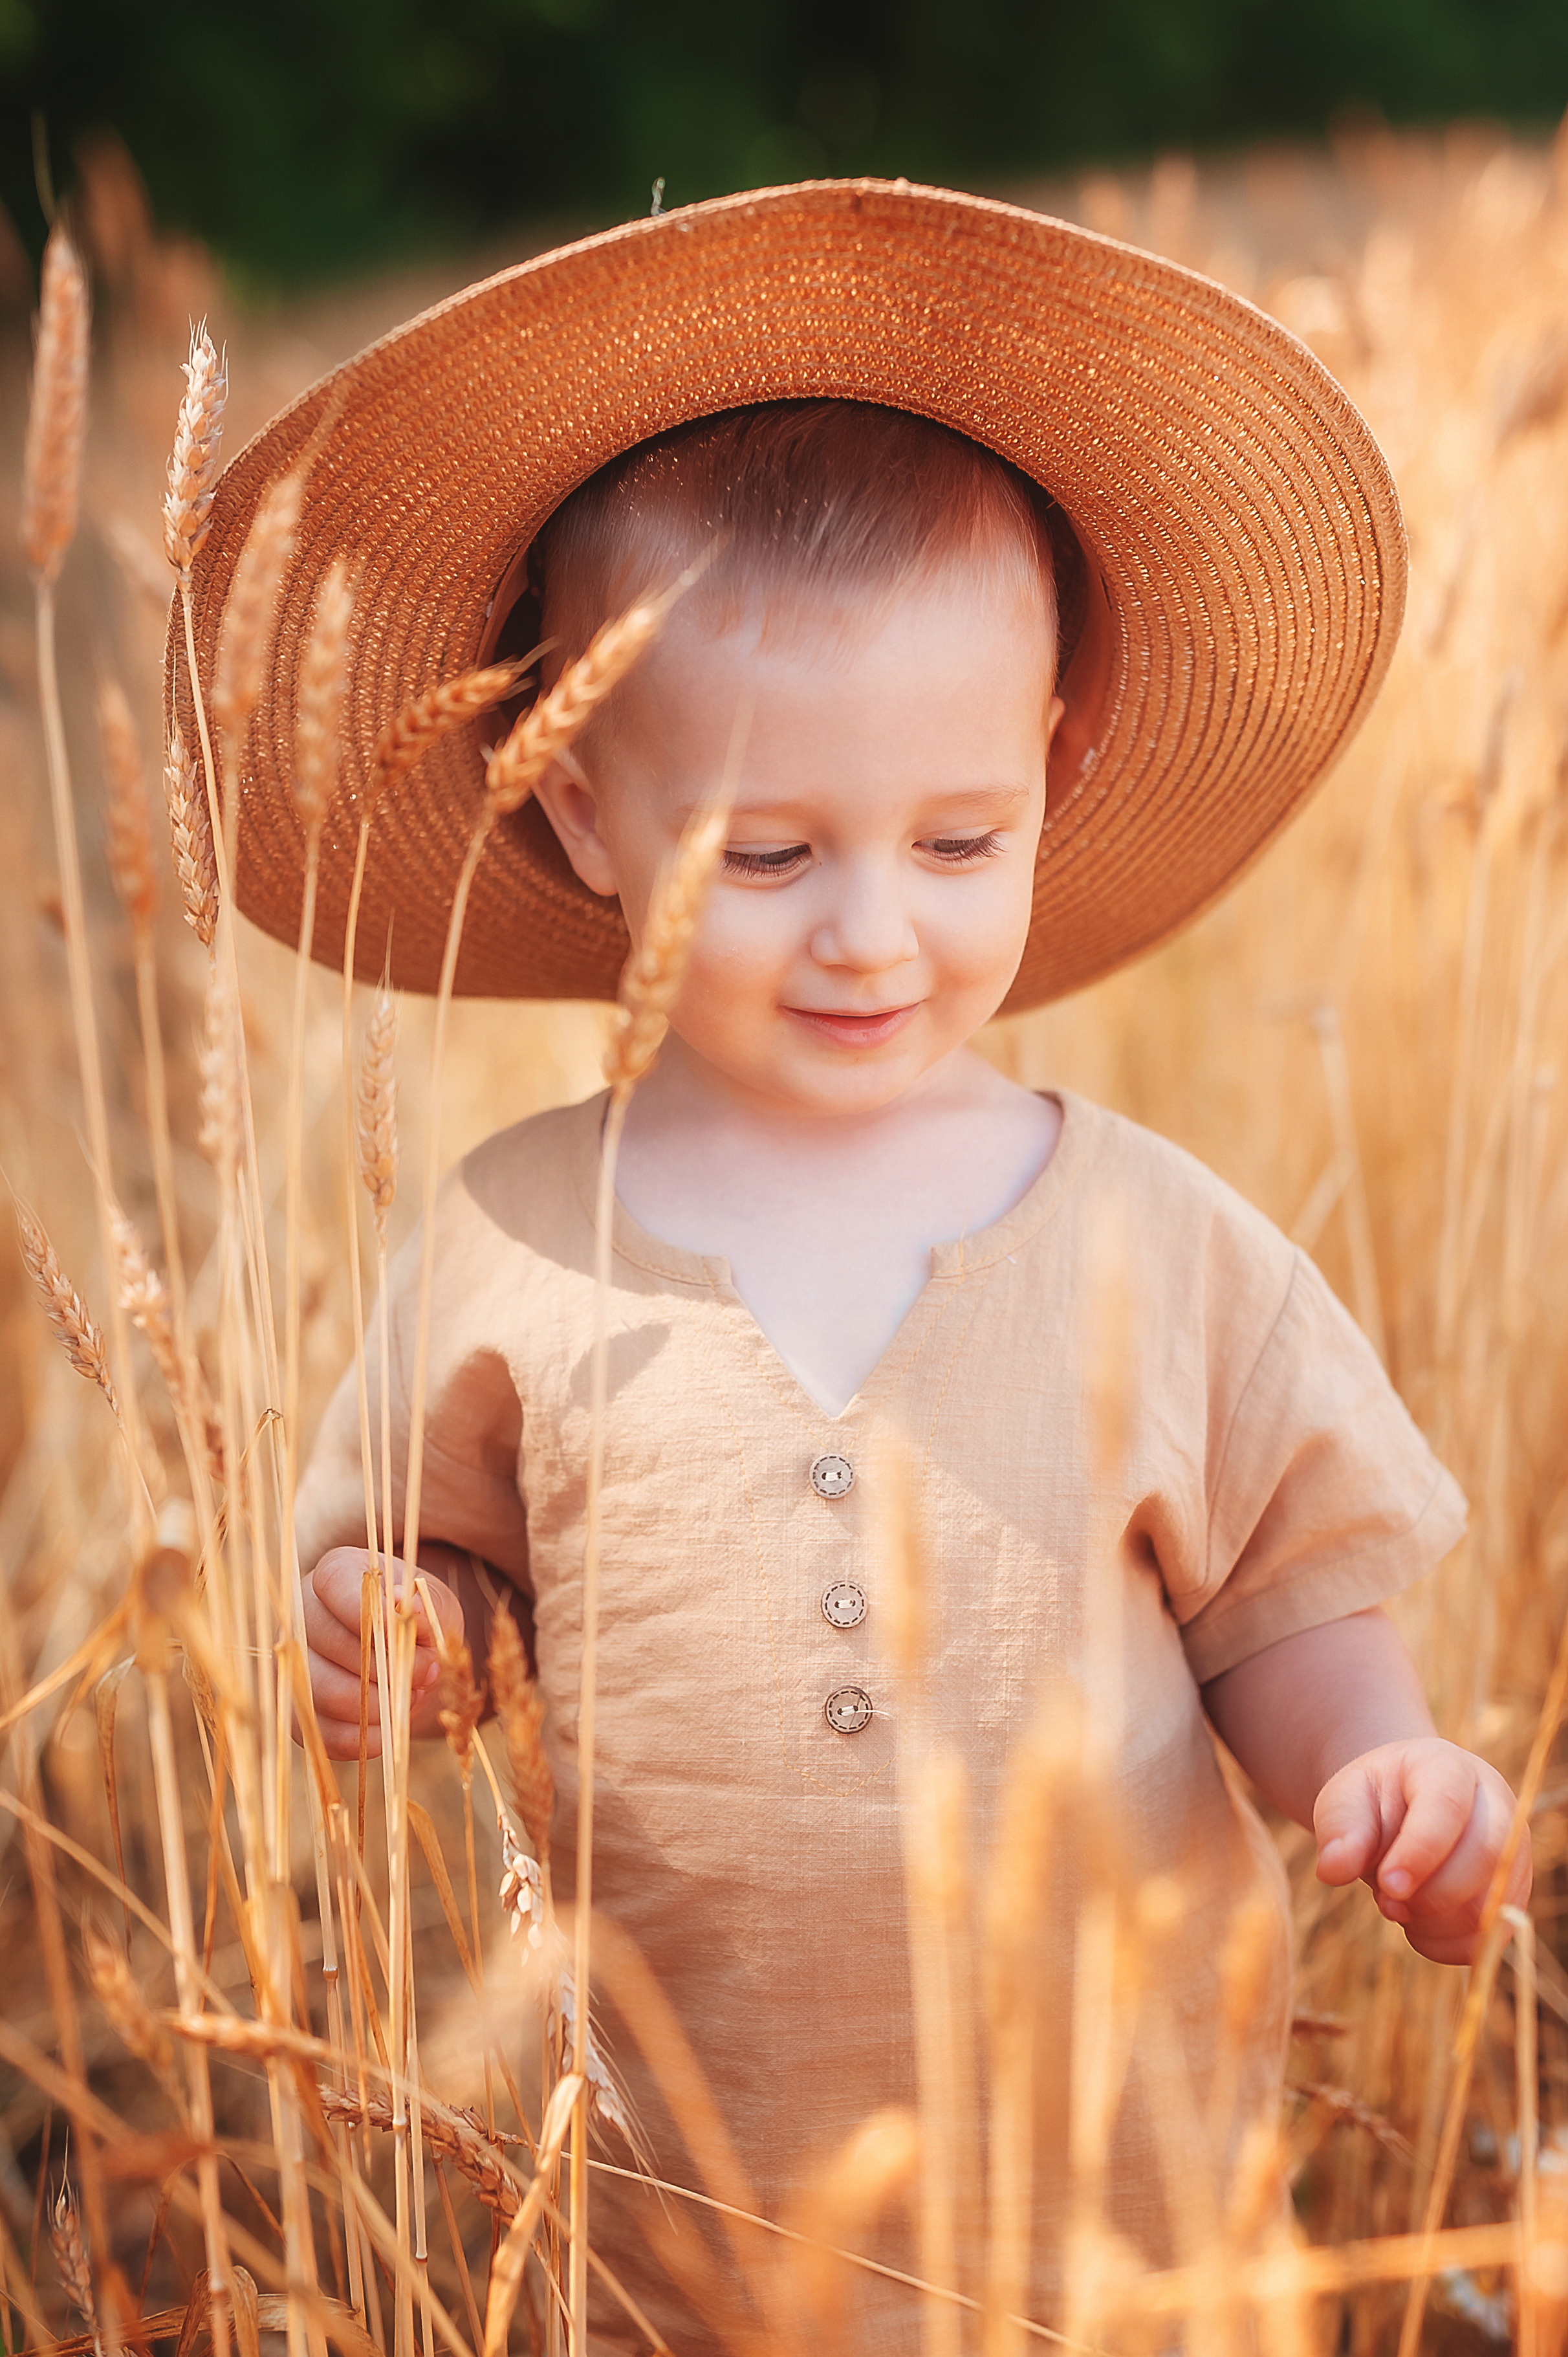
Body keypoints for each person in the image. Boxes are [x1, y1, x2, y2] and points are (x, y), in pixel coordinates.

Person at [201, 182, 1530, 2350]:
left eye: (956, 840)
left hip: (1115, 2242)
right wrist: (400, 1633)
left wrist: (1384, 1767)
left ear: (1055, 777)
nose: (872, 930)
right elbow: (430, 1582)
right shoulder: (511, 1238)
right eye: (770, 851)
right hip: (668, 2240)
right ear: (578, 815)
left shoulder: (1158, 1241)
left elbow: (1286, 1615)